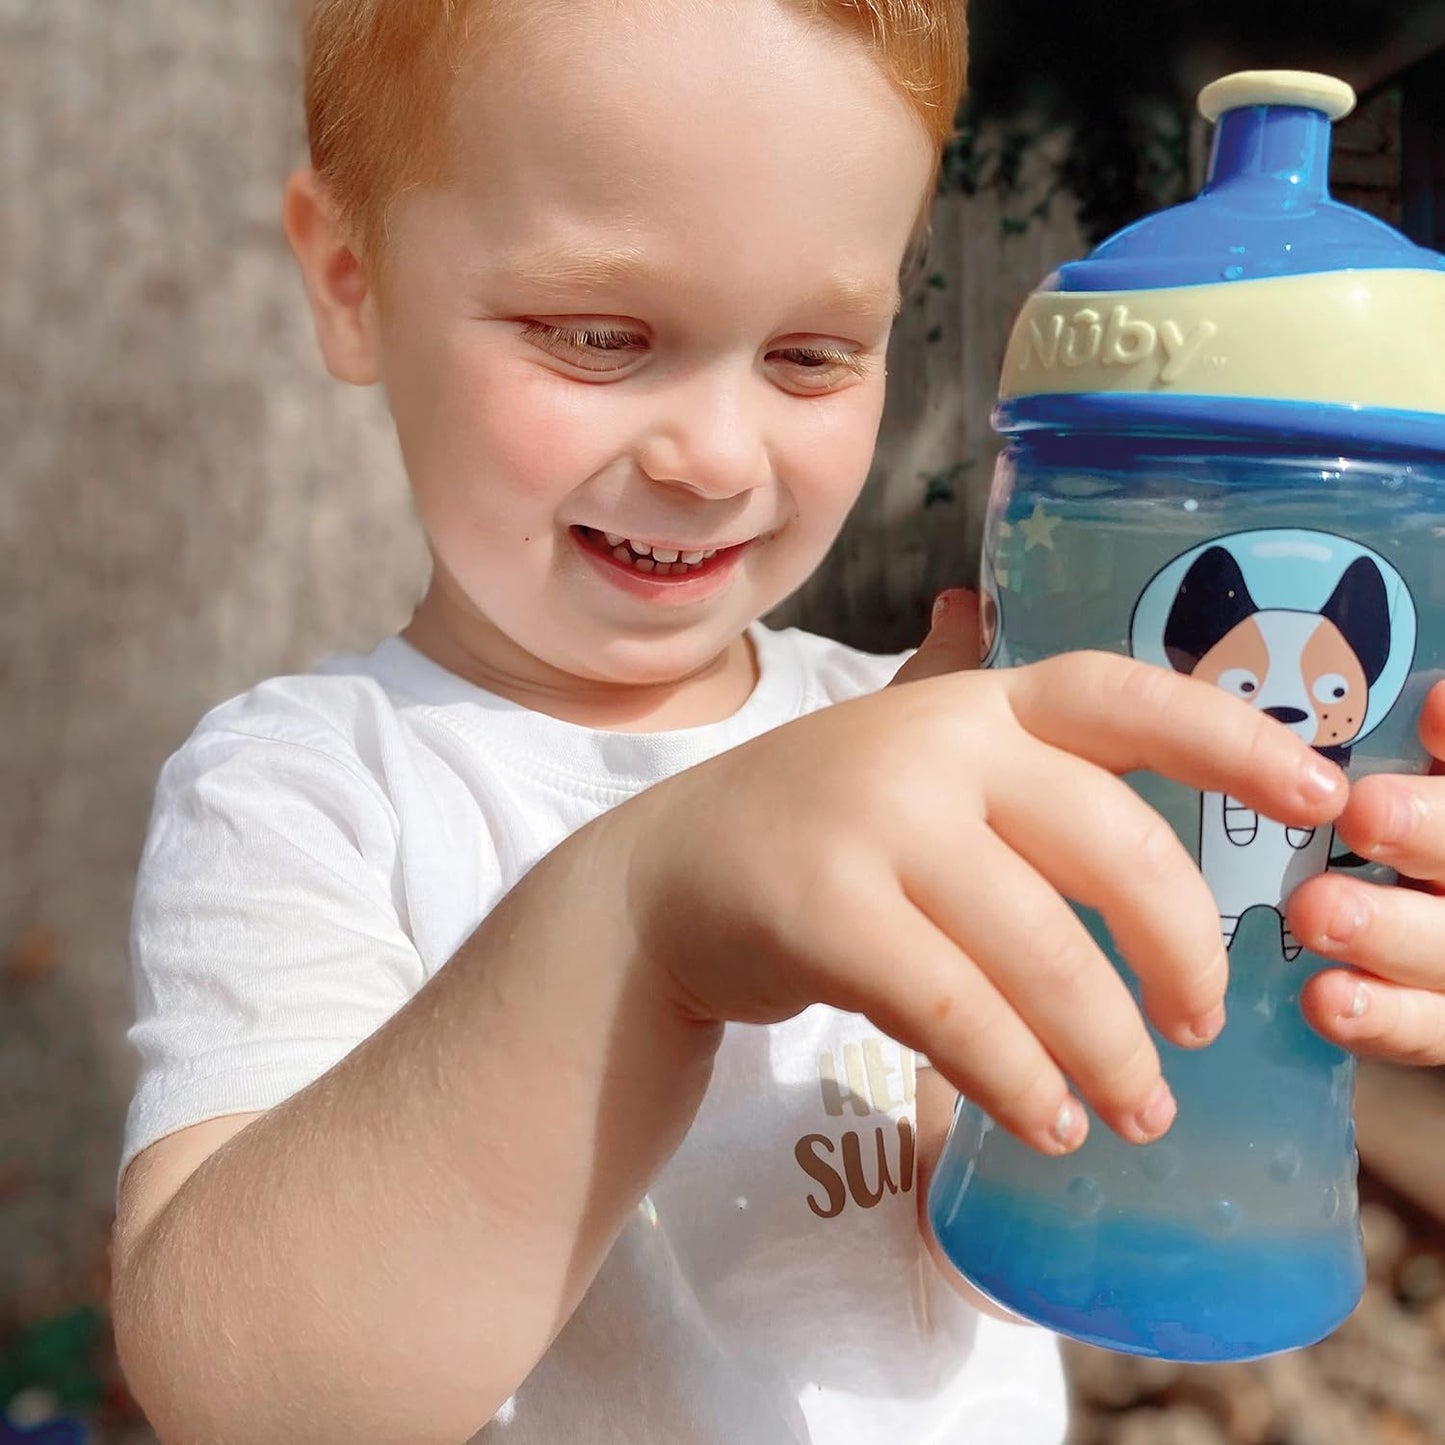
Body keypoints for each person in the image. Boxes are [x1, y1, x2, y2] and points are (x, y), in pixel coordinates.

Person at [109, 2, 1445, 1441]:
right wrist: (643, 917)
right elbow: (244, 1394)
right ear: (350, 277)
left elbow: (997, 1242)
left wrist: (1227, 979)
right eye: (598, 334)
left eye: (811, 355)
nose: (713, 457)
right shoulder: (307, 792)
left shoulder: (895, 737)